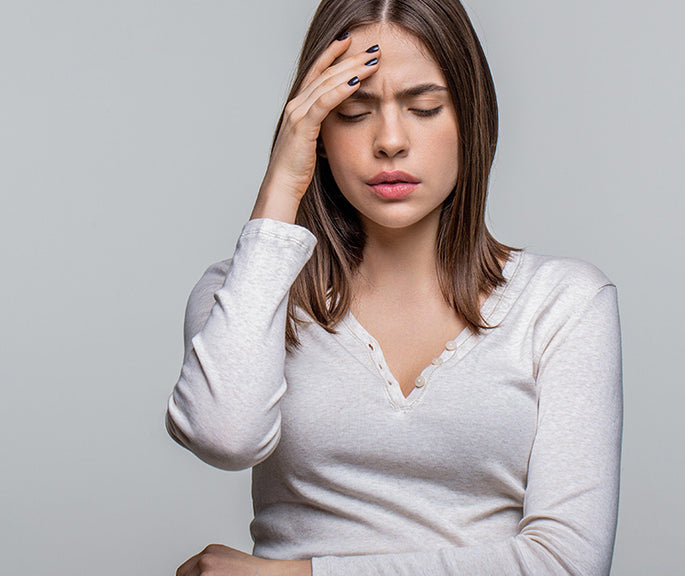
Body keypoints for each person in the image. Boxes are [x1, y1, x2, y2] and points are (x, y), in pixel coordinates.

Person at [165, 0, 623, 574]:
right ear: (318, 134)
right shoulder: (247, 293)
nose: (390, 141)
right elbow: (223, 438)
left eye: (424, 108)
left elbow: (568, 564)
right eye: (353, 111)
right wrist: (282, 184)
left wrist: (297, 575)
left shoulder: (564, 304)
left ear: (471, 119)